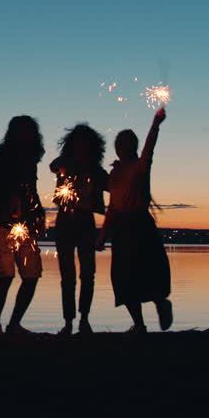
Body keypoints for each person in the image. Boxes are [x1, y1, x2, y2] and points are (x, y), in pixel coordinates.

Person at [97, 107, 172, 333]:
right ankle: (139, 324)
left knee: (146, 271)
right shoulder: (114, 174)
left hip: (140, 226)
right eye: (119, 144)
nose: (121, 147)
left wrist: (155, 125)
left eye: (126, 143)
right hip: (121, 229)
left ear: (133, 146)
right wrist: (102, 236)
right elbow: (112, 208)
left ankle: (161, 303)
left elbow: (150, 148)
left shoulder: (140, 166)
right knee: (123, 278)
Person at [0, 115, 47, 336]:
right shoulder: (1, 158)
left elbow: (31, 191)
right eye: (21, 132)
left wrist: (39, 214)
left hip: (24, 224)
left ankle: (13, 325)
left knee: (32, 275)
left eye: (28, 132)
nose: (25, 136)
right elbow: (2, 188)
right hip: (0, 222)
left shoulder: (30, 161)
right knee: (5, 276)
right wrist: (14, 203)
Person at [49, 123, 108, 335]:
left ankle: (84, 319)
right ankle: (68, 322)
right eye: (77, 142)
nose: (81, 146)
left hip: (85, 220)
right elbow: (53, 165)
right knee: (67, 275)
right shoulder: (65, 162)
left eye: (84, 142)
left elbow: (111, 184)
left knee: (88, 273)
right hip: (65, 219)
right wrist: (65, 164)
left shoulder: (96, 169)